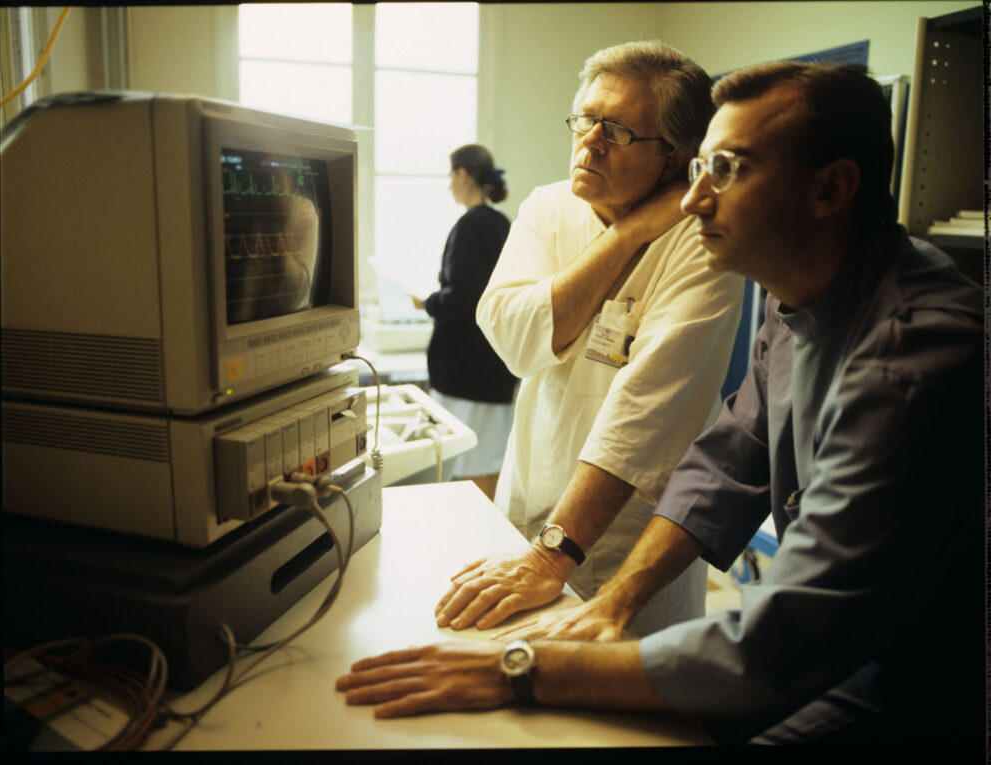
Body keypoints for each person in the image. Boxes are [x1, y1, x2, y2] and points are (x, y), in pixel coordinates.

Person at [336, 61, 984, 752]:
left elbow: (781, 642)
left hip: (920, 684)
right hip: (828, 647)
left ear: (830, 187)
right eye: (701, 167)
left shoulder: (912, 360)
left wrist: (522, 669)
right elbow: (731, 456)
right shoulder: (796, 293)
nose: (695, 199)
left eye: (727, 169)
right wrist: (613, 601)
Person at [434, 41, 745, 637]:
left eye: (620, 132)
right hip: (525, 518)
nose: (590, 141)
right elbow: (513, 338)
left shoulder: (702, 241)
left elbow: (647, 408)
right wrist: (627, 234)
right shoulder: (548, 207)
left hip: (627, 545)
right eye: (585, 118)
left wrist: (554, 553)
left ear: (674, 157)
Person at [412, 145, 517, 500]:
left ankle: (474, 546)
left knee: (463, 467)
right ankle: (487, 544)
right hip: (496, 366)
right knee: (489, 461)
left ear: (462, 174)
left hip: (465, 371)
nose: (449, 186)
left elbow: (464, 295)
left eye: (450, 177)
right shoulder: (502, 223)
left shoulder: (470, 225)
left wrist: (428, 302)